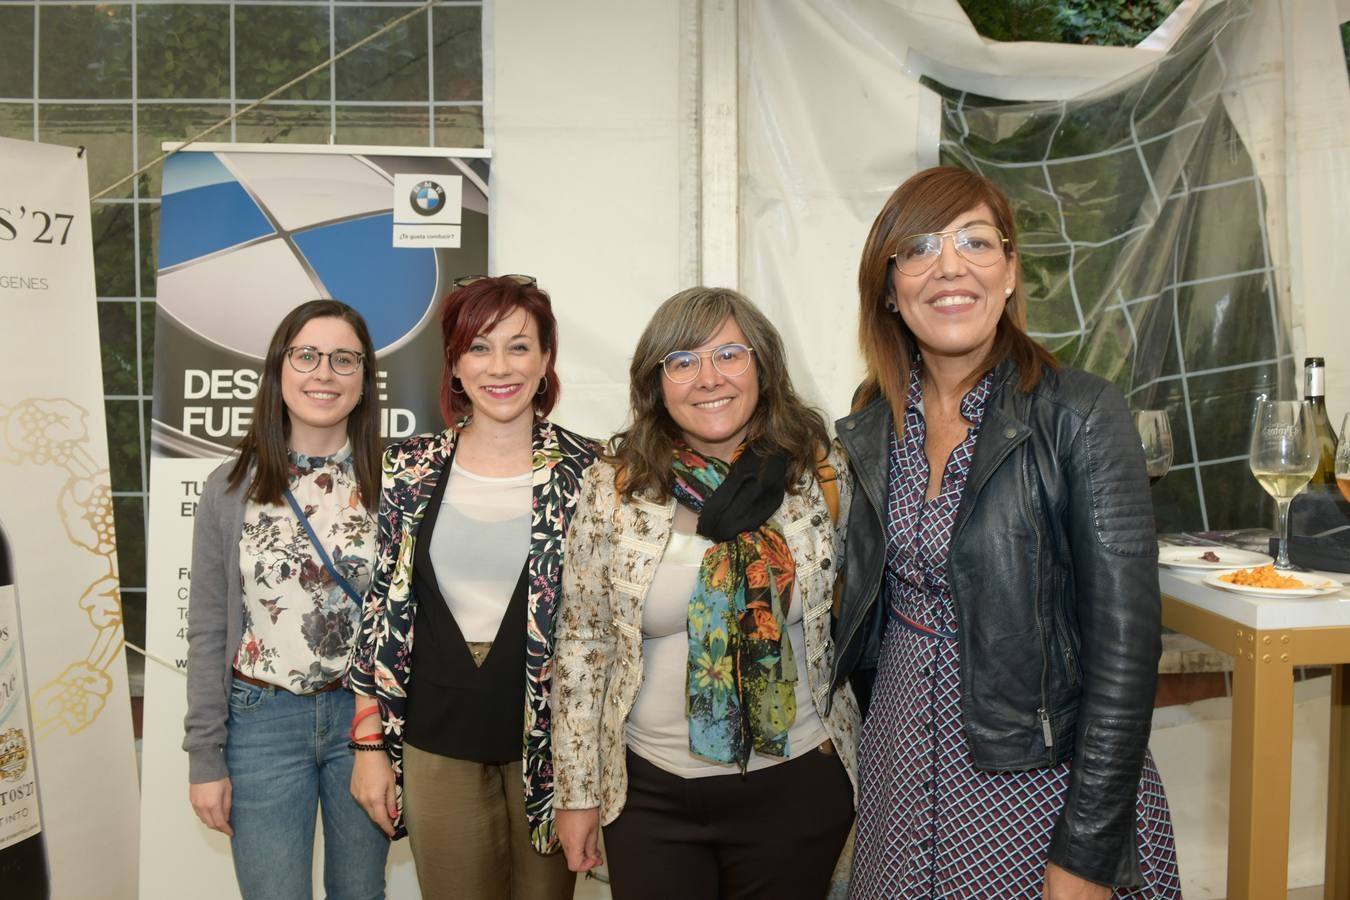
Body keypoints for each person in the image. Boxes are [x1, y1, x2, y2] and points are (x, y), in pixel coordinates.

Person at [832, 166, 1181, 898]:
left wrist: (1087, 850)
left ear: (1011, 270)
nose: (950, 266)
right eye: (921, 247)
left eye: (976, 242)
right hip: (900, 760)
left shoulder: (1079, 414)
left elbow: (1126, 654)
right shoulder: (872, 419)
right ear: (889, 288)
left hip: (1034, 779)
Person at [551, 286, 861, 899]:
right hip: (650, 794)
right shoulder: (613, 488)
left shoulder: (821, 475)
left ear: (764, 366)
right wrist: (577, 793)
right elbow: (582, 645)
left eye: (729, 355)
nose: (707, 378)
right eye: (683, 361)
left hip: (798, 783)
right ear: (656, 383)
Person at [347, 275, 596, 900]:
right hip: (437, 742)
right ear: (455, 365)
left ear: (546, 361)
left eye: (519, 346)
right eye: (478, 348)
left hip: (551, 747)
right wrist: (369, 743)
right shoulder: (408, 465)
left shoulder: (592, 472)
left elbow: (607, 623)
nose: (499, 367)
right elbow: (382, 610)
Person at [184, 299, 389, 899]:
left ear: (363, 380)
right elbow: (208, 629)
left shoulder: (398, 479)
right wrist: (205, 759)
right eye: (307, 356)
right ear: (279, 371)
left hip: (366, 724)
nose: (324, 373)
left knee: (362, 893)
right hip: (261, 722)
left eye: (343, 359)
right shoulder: (230, 486)